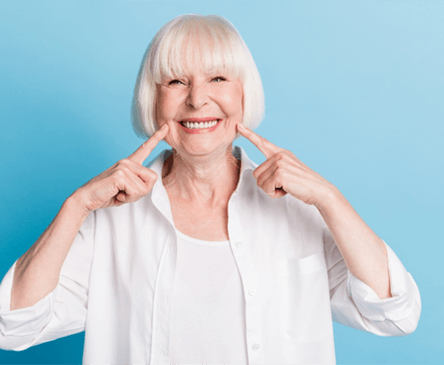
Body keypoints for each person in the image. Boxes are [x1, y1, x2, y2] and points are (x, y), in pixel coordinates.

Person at [0, 14, 420, 364]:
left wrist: (330, 199)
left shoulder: (298, 211)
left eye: (218, 78)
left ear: (243, 94)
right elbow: (12, 326)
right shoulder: (109, 222)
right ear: (153, 99)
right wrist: (75, 206)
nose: (198, 100)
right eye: (176, 82)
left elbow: (395, 314)